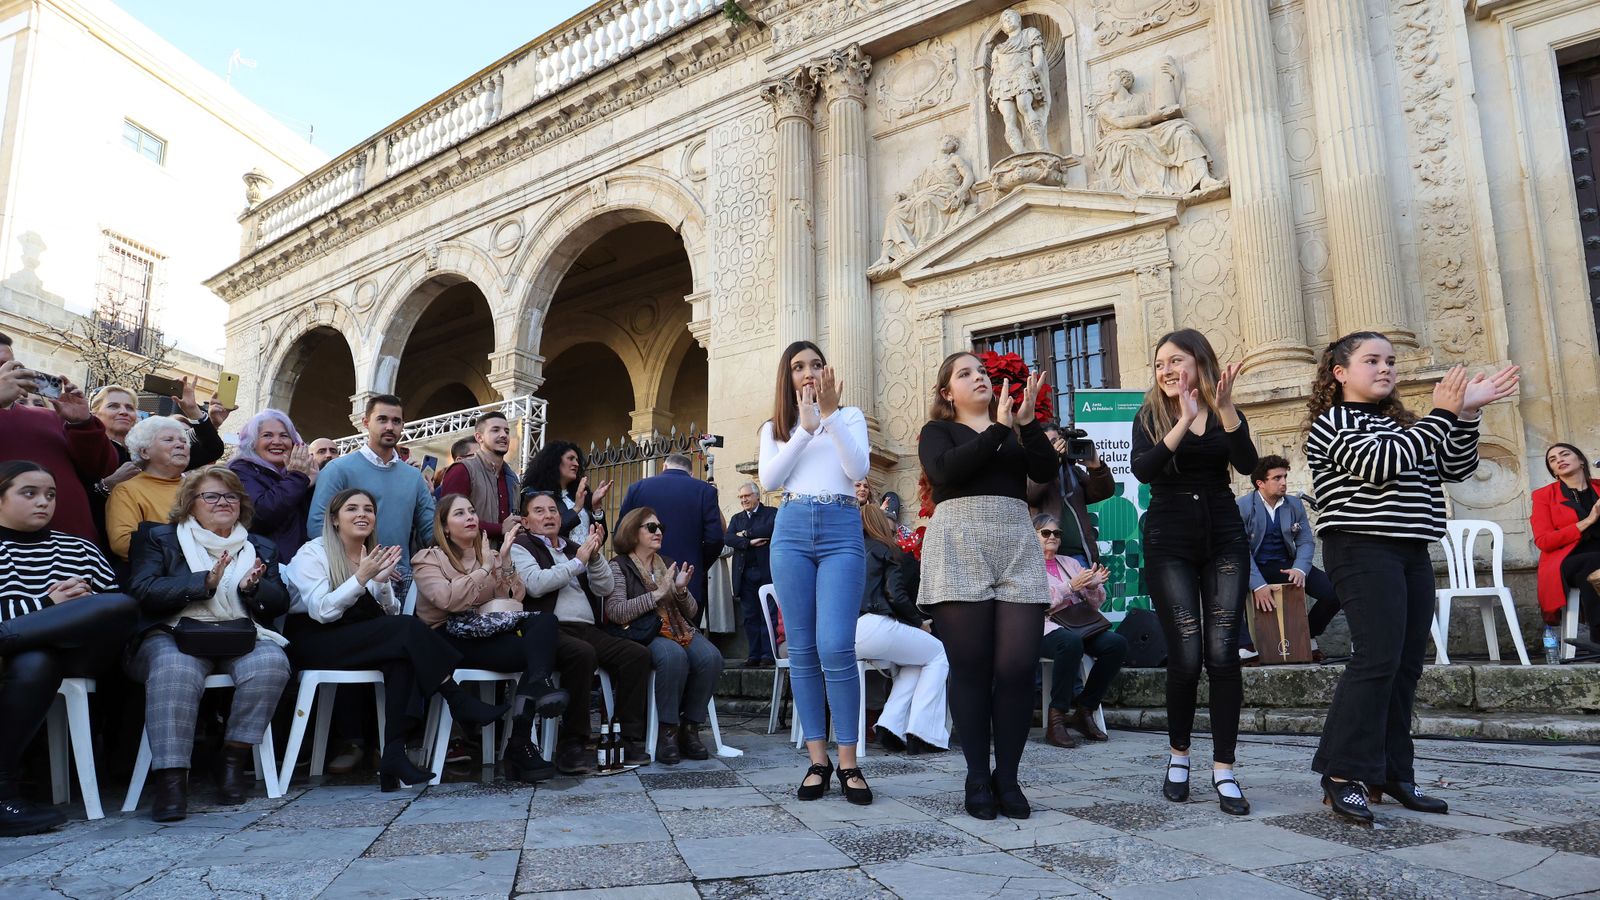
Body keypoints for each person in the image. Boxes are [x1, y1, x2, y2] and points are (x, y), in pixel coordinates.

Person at [1306, 331, 1517, 822]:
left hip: (1411, 550)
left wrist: (1465, 415)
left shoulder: (1406, 425)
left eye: (1391, 361)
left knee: (1404, 666)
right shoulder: (1331, 422)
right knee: (1375, 659)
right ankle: (1341, 774)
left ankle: (1391, 773)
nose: (1386, 369)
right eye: (1372, 360)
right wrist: (1443, 415)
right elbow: (1379, 465)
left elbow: (1454, 466)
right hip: (1360, 546)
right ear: (1340, 373)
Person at [285, 489, 509, 791]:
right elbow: (322, 611)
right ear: (335, 520)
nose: (362, 514)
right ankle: (456, 698)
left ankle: (393, 753)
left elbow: (388, 613)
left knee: (401, 656)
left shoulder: (371, 554)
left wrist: (381, 583)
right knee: (405, 630)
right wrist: (361, 578)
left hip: (357, 635)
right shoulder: (313, 553)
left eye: (368, 509)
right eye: (352, 509)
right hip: (315, 639)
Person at [919, 352, 1054, 820]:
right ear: (946, 393)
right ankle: (978, 775)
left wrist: (1027, 422)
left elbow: (1046, 472)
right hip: (959, 538)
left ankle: (1009, 777)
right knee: (971, 667)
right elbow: (944, 472)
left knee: (1017, 667)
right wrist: (998, 430)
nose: (978, 377)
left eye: (981, 371)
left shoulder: (1014, 430)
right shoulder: (939, 431)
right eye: (965, 373)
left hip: (1015, 539)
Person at [1130, 328, 1258, 816]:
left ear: (1200, 364)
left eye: (1175, 360)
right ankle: (1178, 756)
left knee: (1224, 653)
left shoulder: (1227, 412)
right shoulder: (1150, 416)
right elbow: (1146, 470)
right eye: (1159, 362)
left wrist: (1224, 411)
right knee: (1185, 654)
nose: (1165, 369)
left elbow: (1247, 464)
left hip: (1224, 536)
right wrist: (1182, 420)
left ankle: (1224, 768)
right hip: (1169, 541)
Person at [125, 466, 292, 821]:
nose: (223, 502)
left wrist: (254, 589)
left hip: (239, 633)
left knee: (271, 663)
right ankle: (172, 780)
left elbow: (279, 605)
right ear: (189, 504)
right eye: (212, 496)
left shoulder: (259, 546)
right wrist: (204, 582)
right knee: (175, 668)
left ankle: (231, 760)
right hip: (172, 633)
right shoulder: (159, 538)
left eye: (231, 496)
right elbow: (142, 591)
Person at [758, 340, 873, 805]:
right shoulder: (776, 427)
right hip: (791, 529)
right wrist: (804, 430)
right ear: (787, 377)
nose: (808, 373)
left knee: (835, 645)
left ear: (827, 372)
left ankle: (850, 762)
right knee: (802, 648)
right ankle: (817, 760)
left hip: (842, 529)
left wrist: (826, 418)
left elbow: (858, 467)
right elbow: (769, 482)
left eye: (816, 365)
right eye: (798, 367)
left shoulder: (849, 417)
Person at [0, 462, 139, 835]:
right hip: (24, 661)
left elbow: (111, 606)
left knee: (119, 605)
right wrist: (49, 604)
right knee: (36, 661)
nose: (43, 502)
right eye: (28, 493)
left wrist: (80, 607)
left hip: (82, 653)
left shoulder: (78, 547)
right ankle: (2, 792)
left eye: (50, 494)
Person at [412, 493, 565, 782]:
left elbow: (513, 600)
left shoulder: (491, 554)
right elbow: (447, 600)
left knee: (545, 624)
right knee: (537, 656)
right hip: (445, 638)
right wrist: (484, 570)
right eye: (460, 514)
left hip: (483, 632)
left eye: (472, 511)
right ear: (444, 526)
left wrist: (505, 562)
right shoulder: (428, 558)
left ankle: (522, 731)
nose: (470, 517)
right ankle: (522, 743)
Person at [510, 490, 651, 773]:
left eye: (553, 510)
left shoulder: (575, 547)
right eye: (539, 511)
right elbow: (535, 584)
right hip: (548, 629)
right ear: (525, 521)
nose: (549, 515)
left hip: (586, 627)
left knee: (636, 654)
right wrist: (578, 564)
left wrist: (595, 557)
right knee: (581, 654)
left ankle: (629, 738)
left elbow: (605, 588)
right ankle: (572, 743)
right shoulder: (520, 546)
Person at [606, 506, 723, 764]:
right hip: (644, 632)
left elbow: (691, 612)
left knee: (711, 657)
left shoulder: (667, 563)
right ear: (632, 532)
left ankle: (689, 729)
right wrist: (656, 595)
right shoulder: (619, 566)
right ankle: (667, 732)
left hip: (679, 628)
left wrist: (680, 590)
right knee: (673, 656)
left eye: (660, 528)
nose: (658, 531)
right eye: (651, 527)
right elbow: (616, 612)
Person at [0, 333, 118, 543]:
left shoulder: (49, 417)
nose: (6, 374)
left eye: (10, 366)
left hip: (73, 550)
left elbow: (102, 468)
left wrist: (82, 423)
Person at [307, 395, 435, 588]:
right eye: (382, 419)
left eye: (396, 421)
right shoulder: (337, 469)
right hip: (348, 579)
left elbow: (431, 530)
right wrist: (360, 566)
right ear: (366, 422)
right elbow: (318, 526)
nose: (390, 427)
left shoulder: (413, 476)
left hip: (400, 578)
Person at [857, 504, 949, 754]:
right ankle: (922, 733)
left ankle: (890, 726)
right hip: (873, 625)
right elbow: (895, 594)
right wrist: (920, 624)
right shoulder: (887, 549)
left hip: (842, 634)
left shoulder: (846, 552)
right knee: (938, 653)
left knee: (914, 663)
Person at [1237, 455, 1341, 663]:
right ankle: (1245, 646)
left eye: (1285, 476)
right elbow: (1239, 550)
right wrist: (1257, 585)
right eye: (1277, 478)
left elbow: (1305, 542)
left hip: (1286, 565)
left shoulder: (1294, 504)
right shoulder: (1243, 506)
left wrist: (1300, 569)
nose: (1284, 482)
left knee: (1334, 592)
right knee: (1227, 590)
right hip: (1253, 566)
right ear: (1260, 483)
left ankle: (1306, 635)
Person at [1035, 513, 1125, 748]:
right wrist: (1069, 587)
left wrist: (1092, 587)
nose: (1052, 537)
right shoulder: (1027, 565)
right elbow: (1037, 603)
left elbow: (1094, 605)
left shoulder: (1070, 563)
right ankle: (1057, 719)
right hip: (1042, 628)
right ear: (1032, 536)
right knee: (1070, 643)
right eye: (1046, 533)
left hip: (1077, 626)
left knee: (1117, 644)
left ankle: (1084, 711)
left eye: (1057, 533)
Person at [618, 453, 723, 614]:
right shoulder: (705, 491)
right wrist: (698, 564)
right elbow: (715, 539)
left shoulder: (637, 488)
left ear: (664, 467)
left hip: (640, 581)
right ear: (691, 473)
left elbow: (621, 531)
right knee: (687, 633)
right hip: (686, 577)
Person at [229, 409, 318, 564]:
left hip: (303, 566)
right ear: (253, 443)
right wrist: (297, 479)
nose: (277, 441)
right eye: (267, 435)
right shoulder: (241, 470)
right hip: (264, 566)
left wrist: (310, 485)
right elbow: (260, 515)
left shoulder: (300, 474)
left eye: (284, 435)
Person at [1532, 443, 1600, 635]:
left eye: (1564, 454)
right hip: (1566, 560)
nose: (1559, 460)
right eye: (1553, 460)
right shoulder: (1543, 496)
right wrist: (1588, 521)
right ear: (1553, 470)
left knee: (1594, 565)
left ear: (1581, 461)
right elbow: (1544, 541)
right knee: (1594, 562)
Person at [106, 416, 194, 560]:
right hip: (163, 576)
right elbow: (122, 543)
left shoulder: (199, 487)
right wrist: (188, 547)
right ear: (144, 452)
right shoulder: (127, 491)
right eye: (169, 440)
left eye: (183, 441)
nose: (181, 445)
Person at [1027, 424, 1115, 567]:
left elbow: (1103, 492)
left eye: (1058, 441)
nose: (1056, 446)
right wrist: (1051, 461)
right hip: (1047, 556)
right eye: (1050, 443)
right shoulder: (1032, 469)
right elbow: (1031, 495)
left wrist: (1096, 467)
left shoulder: (1072, 471)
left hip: (1079, 557)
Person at [434, 412, 520, 546]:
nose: (503, 435)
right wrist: (500, 528)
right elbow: (448, 519)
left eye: (507, 431)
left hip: (504, 557)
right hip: (467, 558)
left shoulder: (511, 477)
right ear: (479, 437)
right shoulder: (462, 470)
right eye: (495, 430)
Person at [725, 481, 777, 666]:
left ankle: (768, 655)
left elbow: (769, 528)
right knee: (750, 617)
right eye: (741, 497)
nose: (743, 500)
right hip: (745, 575)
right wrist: (749, 542)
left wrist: (744, 534)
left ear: (757, 496)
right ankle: (754, 655)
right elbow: (728, 538)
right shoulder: (736, 518)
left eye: (747, 496)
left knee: (768, 615)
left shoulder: (771, 512)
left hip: (766, 573)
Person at [521, 441, 609, 546]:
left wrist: (596, 509)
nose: (576, 464)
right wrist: (576, 509)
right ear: (555, 461)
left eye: (577, 460)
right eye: (570, 458)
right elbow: (546, 531)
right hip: (557, 560)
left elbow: (600, 539)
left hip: (586, 560)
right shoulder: (534, 493)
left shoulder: (579, 494)